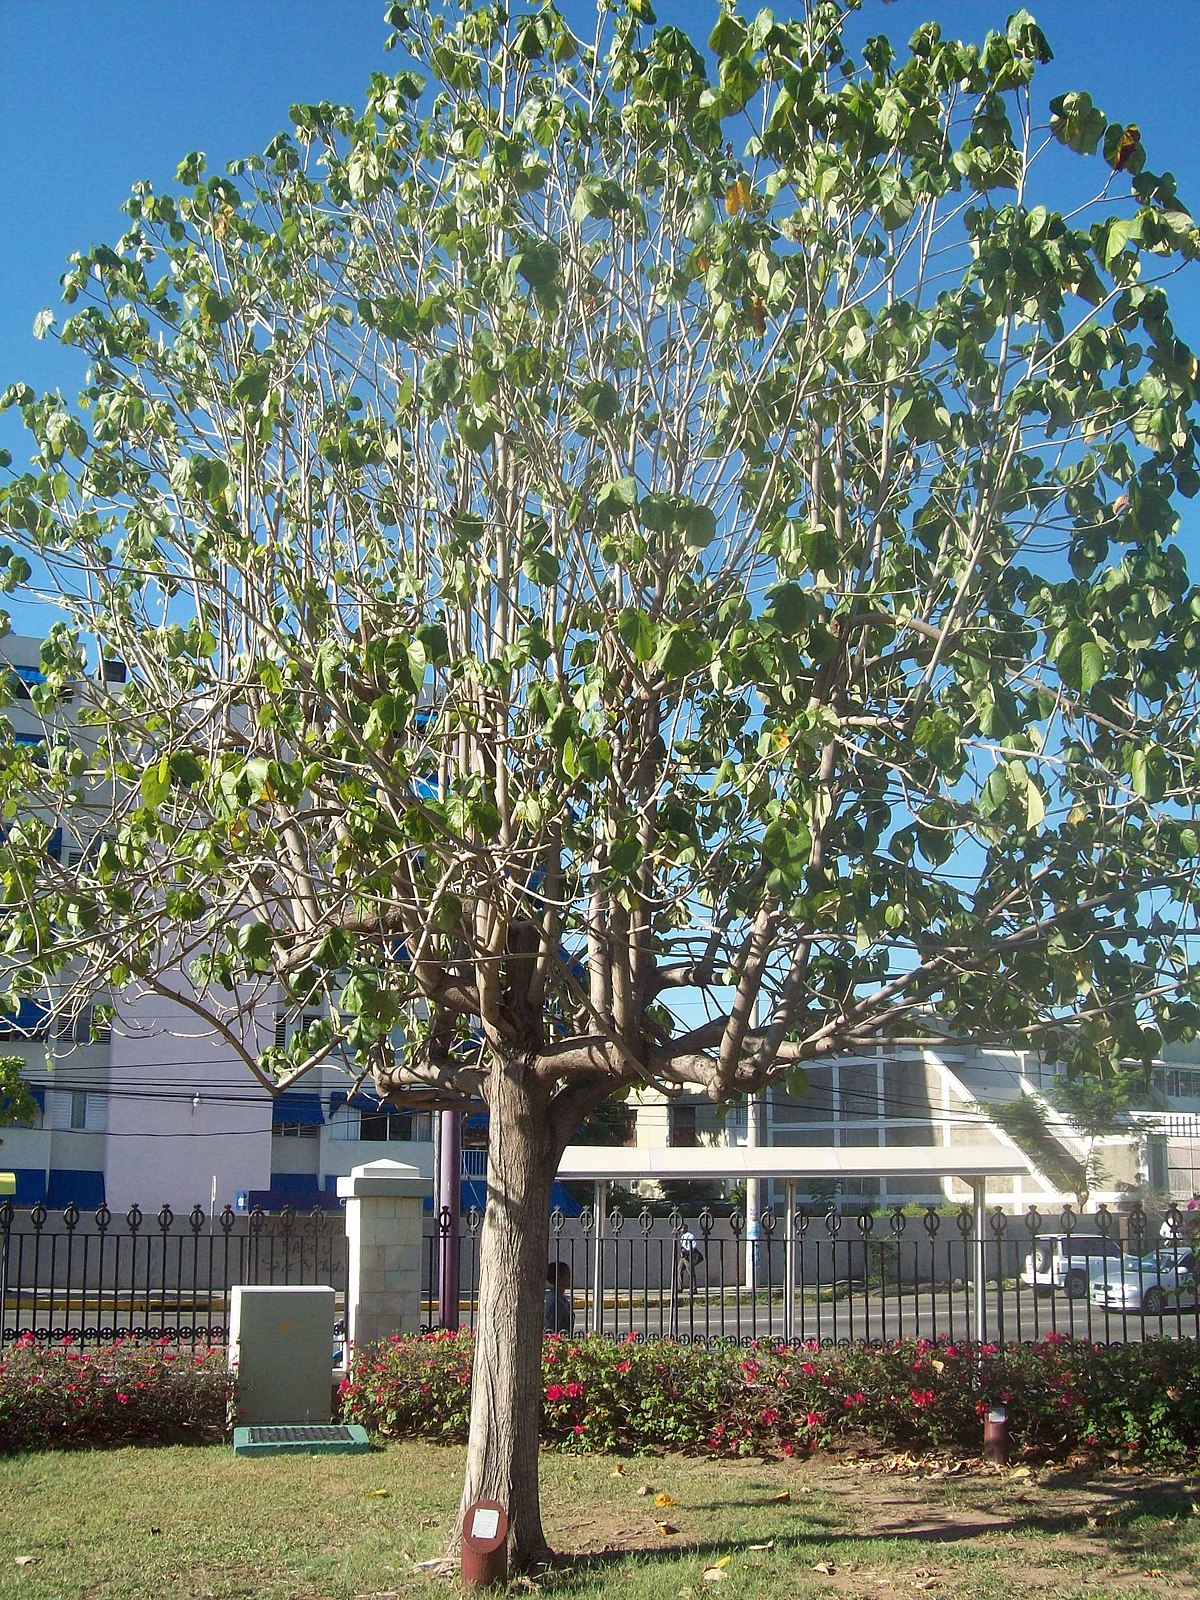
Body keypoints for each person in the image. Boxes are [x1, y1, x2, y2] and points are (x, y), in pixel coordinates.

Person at [544, 1260, 574, 1334]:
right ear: (558, 1278)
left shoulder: (560, 1298)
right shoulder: (556, 1301)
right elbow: (551, 1329)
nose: (569, 1278)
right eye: (567, 1276)